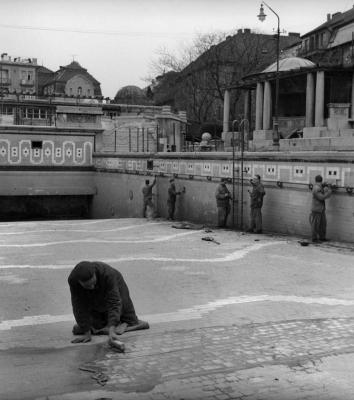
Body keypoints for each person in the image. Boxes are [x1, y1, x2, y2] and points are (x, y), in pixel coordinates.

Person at [68, 261, 149, 344]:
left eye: (93, 283)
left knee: (130, 320)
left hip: (116, 286)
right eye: (87, 286)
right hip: (93, 295)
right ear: (79, 282)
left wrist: (111, 332)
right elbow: (78, 305)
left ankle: (115, 325)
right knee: (84, 327)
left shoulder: (108, 274)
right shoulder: (73, 280)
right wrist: (87, 333)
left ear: (95, 274)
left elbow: (114, 302)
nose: (92, 287)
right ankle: (112, 325)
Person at [310, 175, 332, 243]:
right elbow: (321, 197)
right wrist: (329, 192)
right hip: (316, 209)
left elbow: (322, 189)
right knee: (316, 225)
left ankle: (322, 237)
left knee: (323, 224)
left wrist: (326, 186)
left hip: (321, 209)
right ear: (320, 180)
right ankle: (314, 239)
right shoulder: (316, 188)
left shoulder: (319, 186)